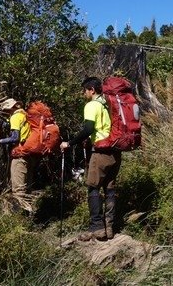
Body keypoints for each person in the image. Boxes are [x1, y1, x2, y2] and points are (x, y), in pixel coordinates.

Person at [60, 77, 120, 241]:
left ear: (92, 90)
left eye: (85, 90)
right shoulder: (108, 103)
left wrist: (70, 143)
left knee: (93, 187)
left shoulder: (92, 105)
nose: (84, 93)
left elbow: (88, 129)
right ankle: (110, 228)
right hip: (115, 152)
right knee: (109, 189)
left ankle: (97, 228)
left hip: (100, 153)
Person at [0, 98, 35, 211]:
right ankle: (30, 217)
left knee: (18, 190)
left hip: (20, 155)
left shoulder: (15, 117)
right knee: (27, 188)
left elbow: (15, 138)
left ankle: (21, 219)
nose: (7, 113)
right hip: (31, 155)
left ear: (11, 108)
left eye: (7, 110)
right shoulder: (26, 116)